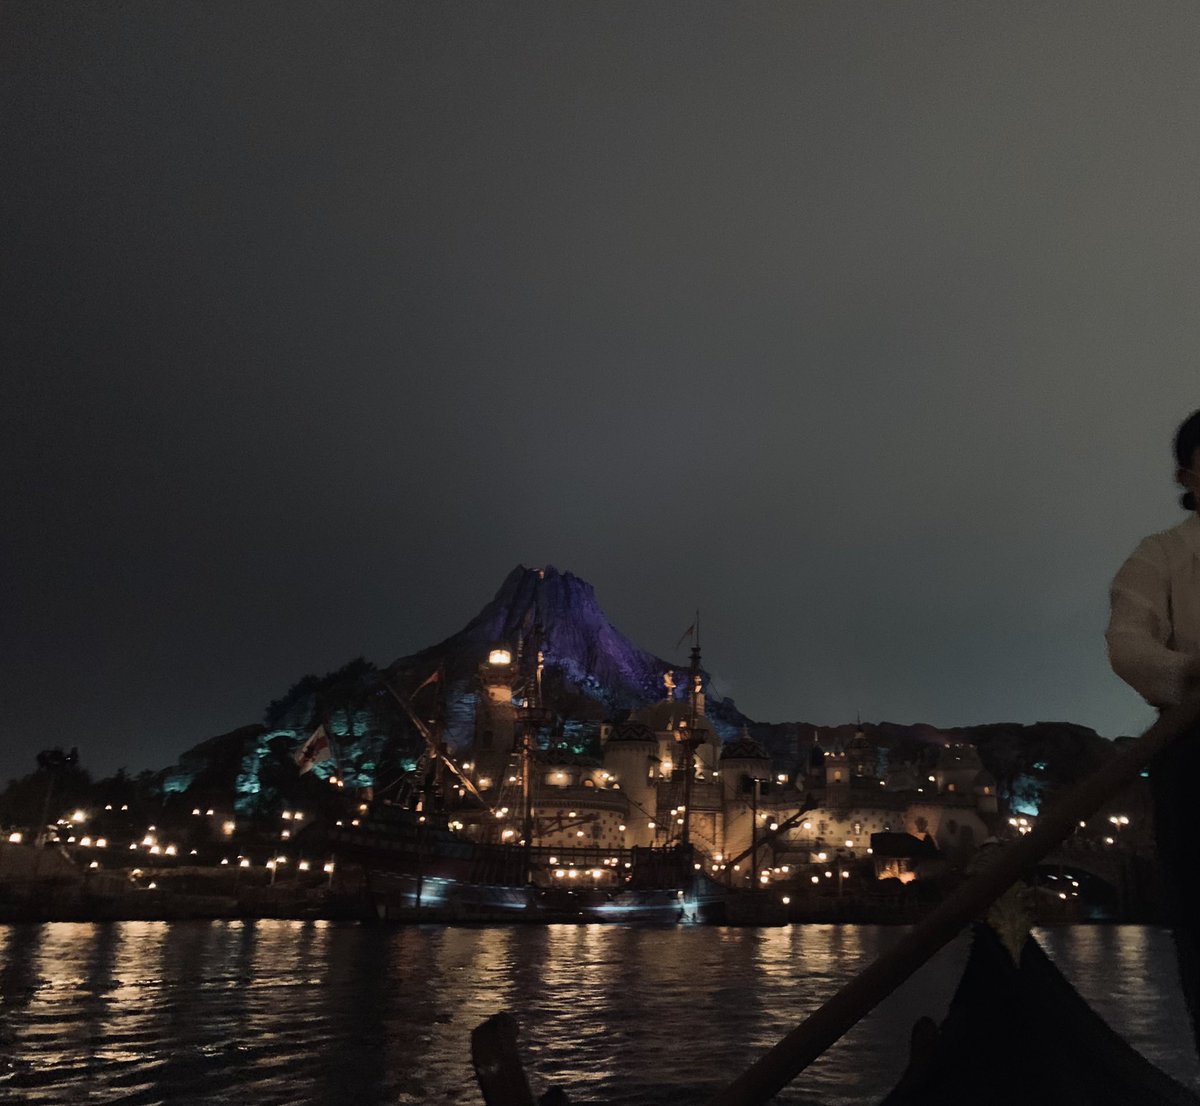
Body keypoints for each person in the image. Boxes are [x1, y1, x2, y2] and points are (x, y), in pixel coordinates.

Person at [1106, 408, 1200, 1053]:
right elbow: (1129, 645)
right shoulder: (1160, 557)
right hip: (1195, 751)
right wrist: (1190, 672)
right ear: (1186, 475)